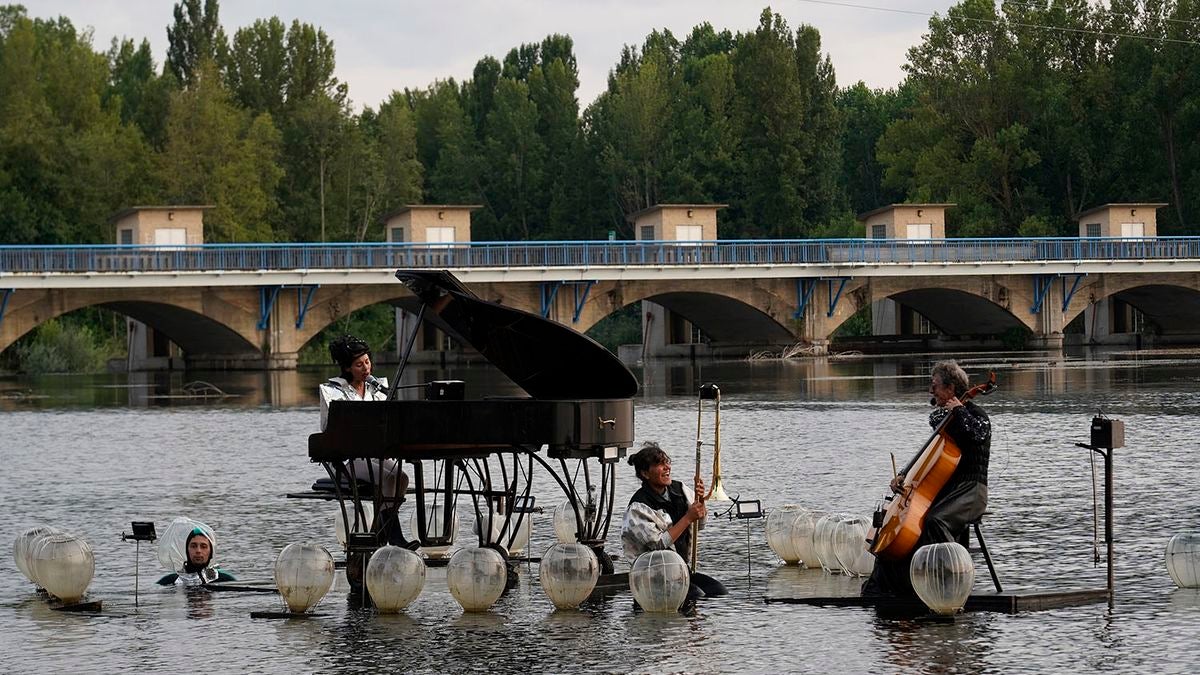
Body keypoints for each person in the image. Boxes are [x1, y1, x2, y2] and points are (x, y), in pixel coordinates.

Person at [862, 359, 991, 598]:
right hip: (947, 490)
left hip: (971, 491)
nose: (931, 391)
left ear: (951, 389)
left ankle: (949, 582)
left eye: (935, 386)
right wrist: (903, 475)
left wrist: (960, 410)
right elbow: (929, 457)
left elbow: (978, 434)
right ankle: (897, 587)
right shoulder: (944, 419)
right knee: (913, 525)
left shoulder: (976, 415)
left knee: (934, 521)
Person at [318, 335, 412, 549]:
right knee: (390, 477)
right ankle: (393, 536)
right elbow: (329, 431)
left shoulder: (378, 389)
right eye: (359, 365)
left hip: (374, 454)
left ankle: (379, 534)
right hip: (347, 459)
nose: (365, 368)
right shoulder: (333, 391)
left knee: (402, 478)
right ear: (348, 368)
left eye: (367, 362)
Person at [621, 442, 728, 604]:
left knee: (719, 592)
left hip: (680, 571)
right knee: (695, 596)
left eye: (667, 463)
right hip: (654, 576)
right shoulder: (638, 507)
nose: (666, 468)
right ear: (645, 473)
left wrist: (701, 501)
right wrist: (687, 518)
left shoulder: (680, 489)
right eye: (659, 464)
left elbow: (700, 525)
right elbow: (658, 546)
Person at [156, 528, 236, 586]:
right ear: (187, 551)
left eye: (203, 546)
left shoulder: (225, 579)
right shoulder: (170, 581)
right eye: (193, 546)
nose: (198, 551)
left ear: (211, 552)